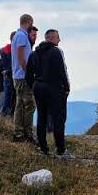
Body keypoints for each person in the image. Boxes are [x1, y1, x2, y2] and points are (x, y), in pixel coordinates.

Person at [26, 29, 70, 157]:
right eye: (58, 37)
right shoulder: (56, 52)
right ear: (51, 38)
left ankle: (43, 148)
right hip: (54, 88)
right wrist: (66, 88)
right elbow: (62, 71)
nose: (59, 40)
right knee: (58, 119)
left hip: (38, 88)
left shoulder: (34, 54)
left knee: (42, 117)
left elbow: (28, 75)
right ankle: (60, 150)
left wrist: (33, 86)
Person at [11, 14, 36, 143]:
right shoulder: (21, 35)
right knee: (29, 104)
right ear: (29, 22)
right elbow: (21, 56)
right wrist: (28, 72)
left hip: (19, 75)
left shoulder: (18, 35)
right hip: (22, 75)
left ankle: (19, 133)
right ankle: (26, 133)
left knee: (20, 104)